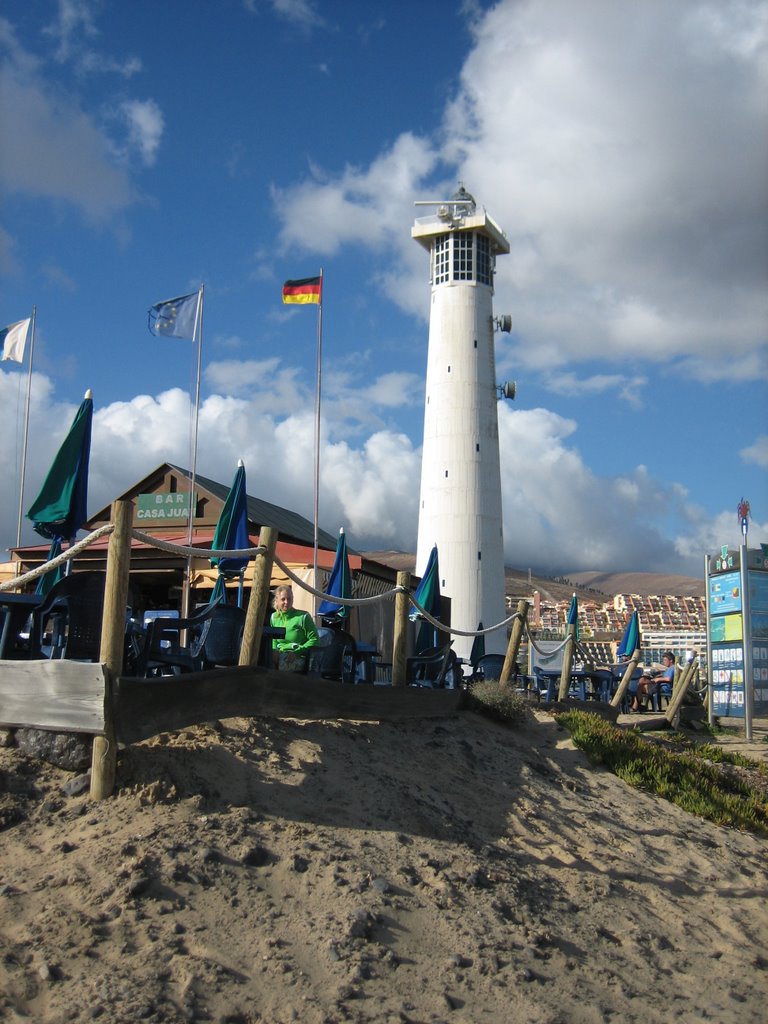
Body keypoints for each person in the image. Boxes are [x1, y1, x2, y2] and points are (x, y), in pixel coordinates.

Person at [270, 585, 319, 672]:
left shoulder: (303, 617)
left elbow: (315, 640)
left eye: (289, 599)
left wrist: (296, 652)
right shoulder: (274, 617)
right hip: (280, 654)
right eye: (283, 599)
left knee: (282, 666)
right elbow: (274, 640)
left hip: (299, 656)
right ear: (277, 600)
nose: (286, 602)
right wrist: (274, 651)